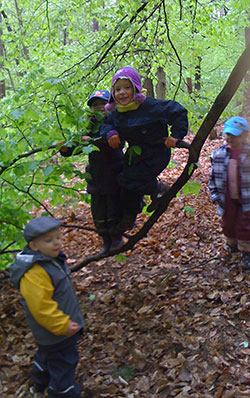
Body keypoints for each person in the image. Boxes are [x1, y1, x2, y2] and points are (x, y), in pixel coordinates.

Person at [100, 66, 188, 234]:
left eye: (127, 87)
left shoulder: (150, 106)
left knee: (129, 180)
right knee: (125, 184)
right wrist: (111, 132)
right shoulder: (116, 113)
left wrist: (176, 135)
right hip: (134, 154)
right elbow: (107, 124)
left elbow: (178, 111)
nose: (122, 92)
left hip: (156, 153)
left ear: (136, 88)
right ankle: (130, 216)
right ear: (112, 93)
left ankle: (158, 189)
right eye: (117, 89)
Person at [10, 216, 84, 398]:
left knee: (48, 354)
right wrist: (62, 325)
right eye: (49, 240)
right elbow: (41, 306)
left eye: (58, 237)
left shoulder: (50, 259)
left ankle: (39, 379)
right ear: (34, 246)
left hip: (53, 331)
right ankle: (61, 391)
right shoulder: (35, 271)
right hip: (55, 331)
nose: (56, 243)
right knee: (64, 361)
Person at [60, 90, 124, 254]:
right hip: (96, 176)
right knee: (98, 211)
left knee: (113, 208)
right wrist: (66, 148)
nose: (100, 107)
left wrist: (92, 140)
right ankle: (106, 241)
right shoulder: (91, 126)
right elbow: (80, 145)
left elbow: (117, 142)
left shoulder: (117, 121)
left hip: (114, 173)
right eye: (96, 105)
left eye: (103, 103)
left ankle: (117, 239)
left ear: (110, 105)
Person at [208, 116, 250, 270]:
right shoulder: (218, 154)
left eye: (236, 135)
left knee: (246, 225)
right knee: (228, 223)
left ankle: (246, 251)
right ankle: (232, 244)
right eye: (228, 134)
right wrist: (214, 195)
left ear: (245, 135)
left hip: (246, 198)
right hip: (226, 198)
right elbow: (212, 177)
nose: (231, 138)